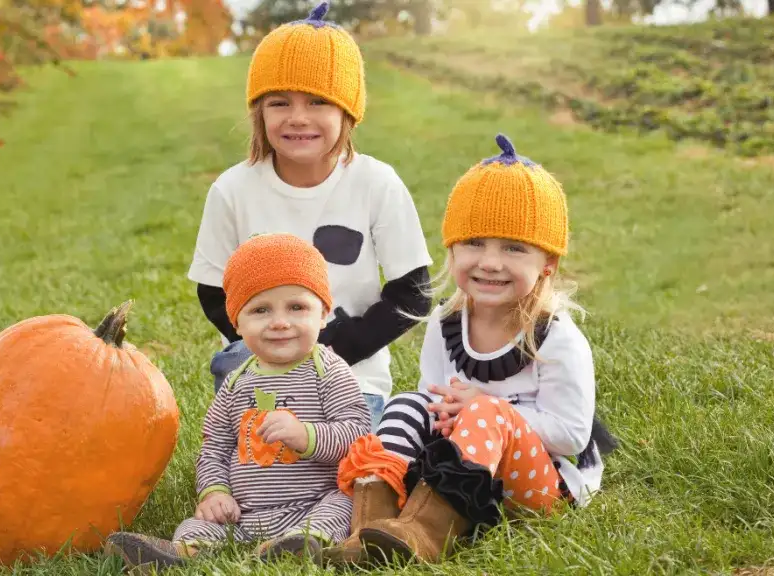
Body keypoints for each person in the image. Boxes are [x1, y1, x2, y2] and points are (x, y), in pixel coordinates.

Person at [324, 134, 619, 565]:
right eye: (474, 243)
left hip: (538, 487)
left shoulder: (555, 337)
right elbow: (435, 400)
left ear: (547, 265)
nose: (490, 262)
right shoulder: (446, 323)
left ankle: (423, 534)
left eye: (514, 248)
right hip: (459, 467)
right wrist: (445, 415)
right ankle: (371, 526)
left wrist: (487, 409)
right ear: (452, 248)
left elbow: (572, 434)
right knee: (408, 404)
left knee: (486, 413)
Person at [187, 1, 433, 432]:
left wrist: (332, 350)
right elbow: (213, 290)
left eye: (318, 102)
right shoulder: (232, 190)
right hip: (259, 372)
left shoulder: (377, 183)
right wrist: (273, 348)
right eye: (279, 103)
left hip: (352, 378)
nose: (298, 118)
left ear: (347, 113)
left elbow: (412, 294)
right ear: (259, 112)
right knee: (262, 474)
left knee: (344, 474)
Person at [104, 233, 372, 572]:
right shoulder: (236, 384)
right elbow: (214, 447)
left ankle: (303, 543)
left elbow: (358, 434)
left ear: (323, 315)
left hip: (313, 501)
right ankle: (180, 553)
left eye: (297, 307)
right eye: (261, 310)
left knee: (344, 503)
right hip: (244, 514)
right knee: (201, 523)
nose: (279, 321)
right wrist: (214, 492)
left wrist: (306, 435)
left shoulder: (329, 372)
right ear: (237, 323)